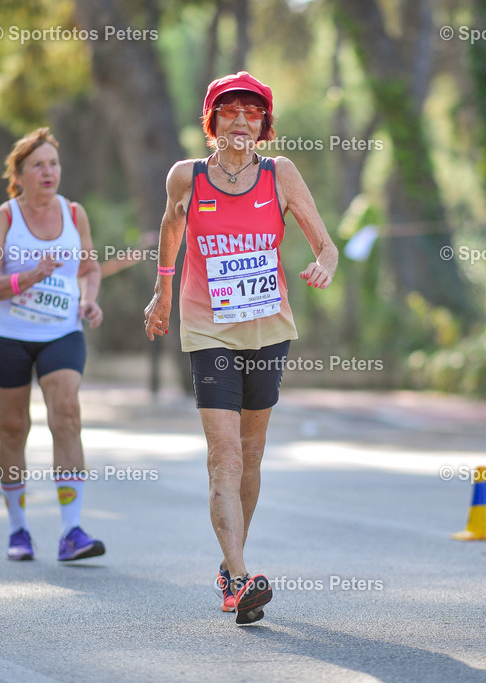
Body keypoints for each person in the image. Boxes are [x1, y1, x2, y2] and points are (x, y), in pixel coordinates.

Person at [143, 71, 338, 625]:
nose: (242, 120)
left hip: (269, 330)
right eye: (230, 111)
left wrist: (324, 262)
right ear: (213, 122)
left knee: (251, 455)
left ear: (264, 125)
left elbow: (326, 244)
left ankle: (232, 573)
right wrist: (161, 294)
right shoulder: (187, 177)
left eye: (253, 112)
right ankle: (239, 572)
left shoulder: (281, 174)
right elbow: (170, 229)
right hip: (207, 330)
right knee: (223, 455)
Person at [0, 127, 105, 563]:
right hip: (5, 337)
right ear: (21, 174)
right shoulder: (3, 218)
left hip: (61, 333)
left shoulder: (74, 213)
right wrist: (27, 277)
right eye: (38, 165)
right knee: (13, 428)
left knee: (66, 414)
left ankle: (72, 531)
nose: (48, 172)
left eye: (54, 164)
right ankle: (18, 528)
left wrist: (88, 301)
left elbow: (89, 267)